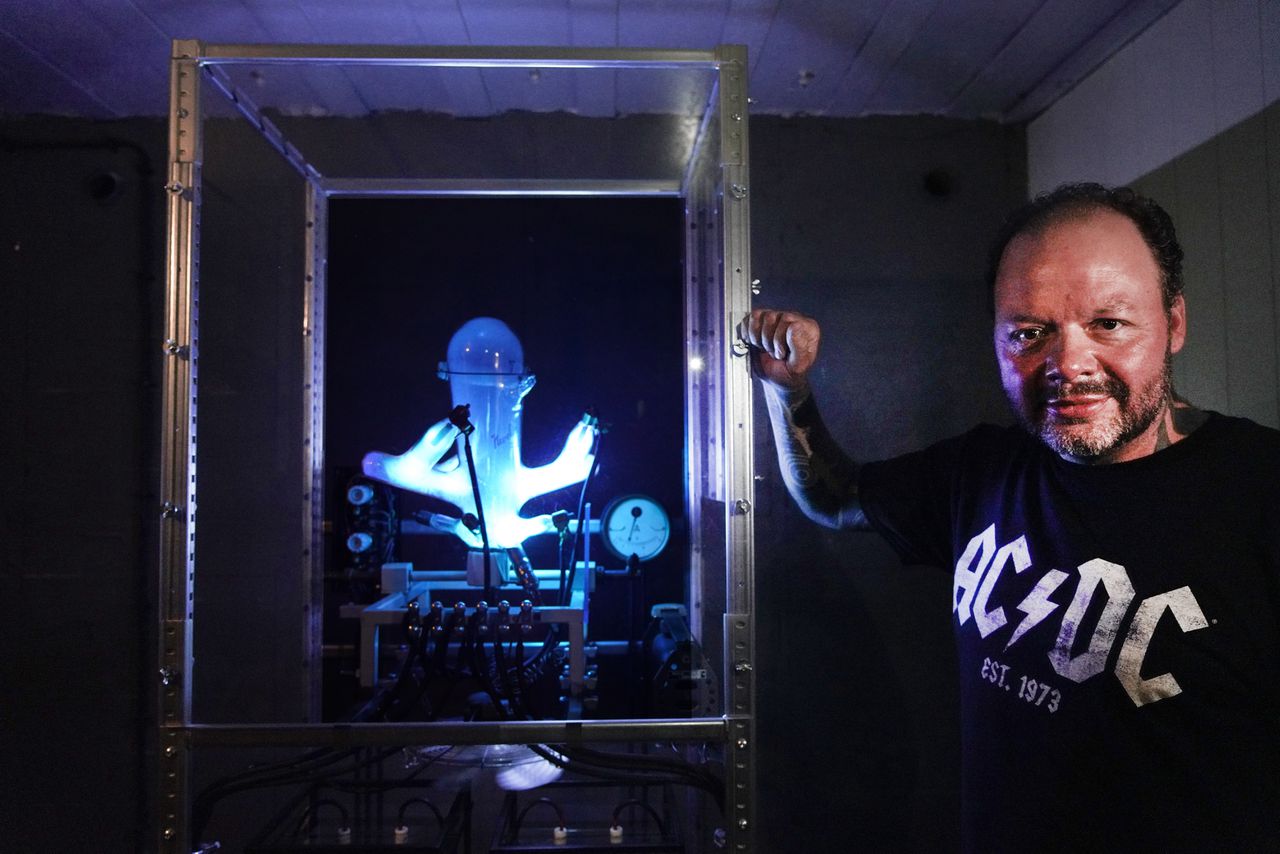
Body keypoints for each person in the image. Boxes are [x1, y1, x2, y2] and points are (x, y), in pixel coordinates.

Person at [741, 183, 1280, 852]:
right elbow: (832, 497)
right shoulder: (984, 473)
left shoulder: (1260, 489)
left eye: (1108, 324)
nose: (1068, 364)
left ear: (1173, 323)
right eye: (1030, 333)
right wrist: (783, 390)